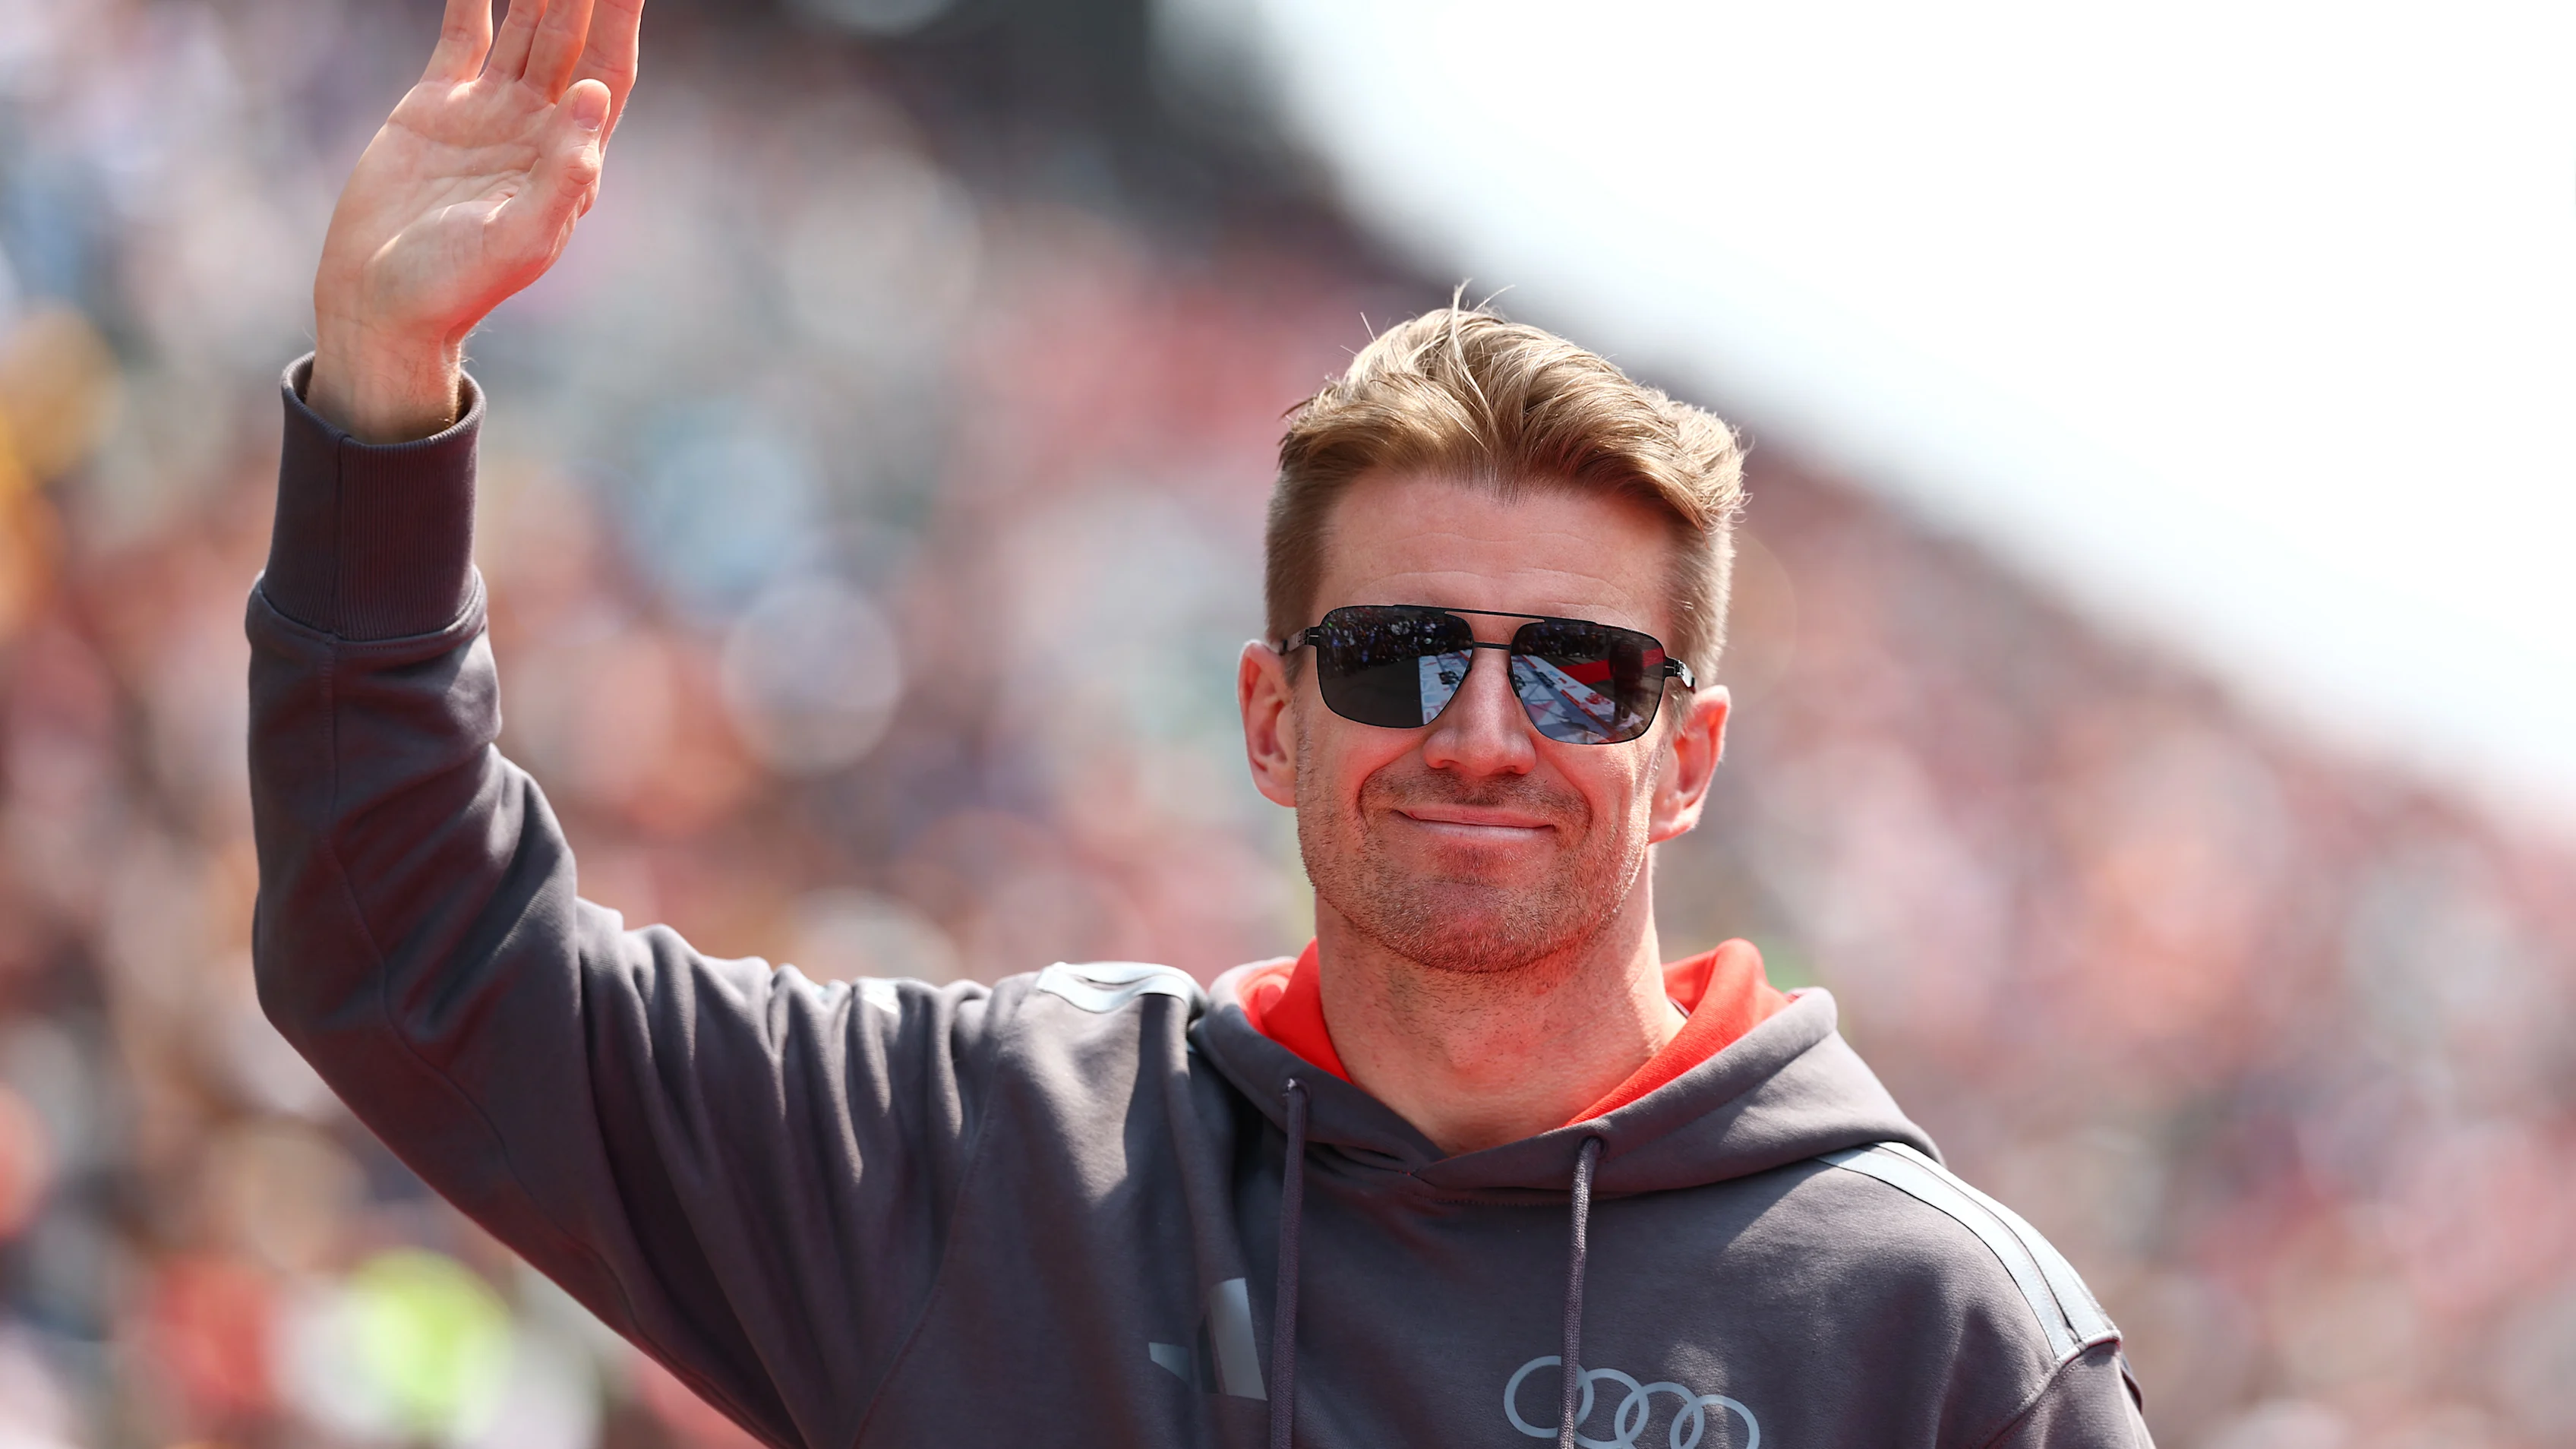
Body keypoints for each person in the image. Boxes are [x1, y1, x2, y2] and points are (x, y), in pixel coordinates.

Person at [248, 1, 2152, 1444]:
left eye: (1579, 670)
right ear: (1271, 716)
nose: (1482, 727)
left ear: (1689, 756)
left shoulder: (1945, 1345)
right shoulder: (1003, 1156)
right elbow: (408, 953)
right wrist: (387, 387)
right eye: (1398, 653)